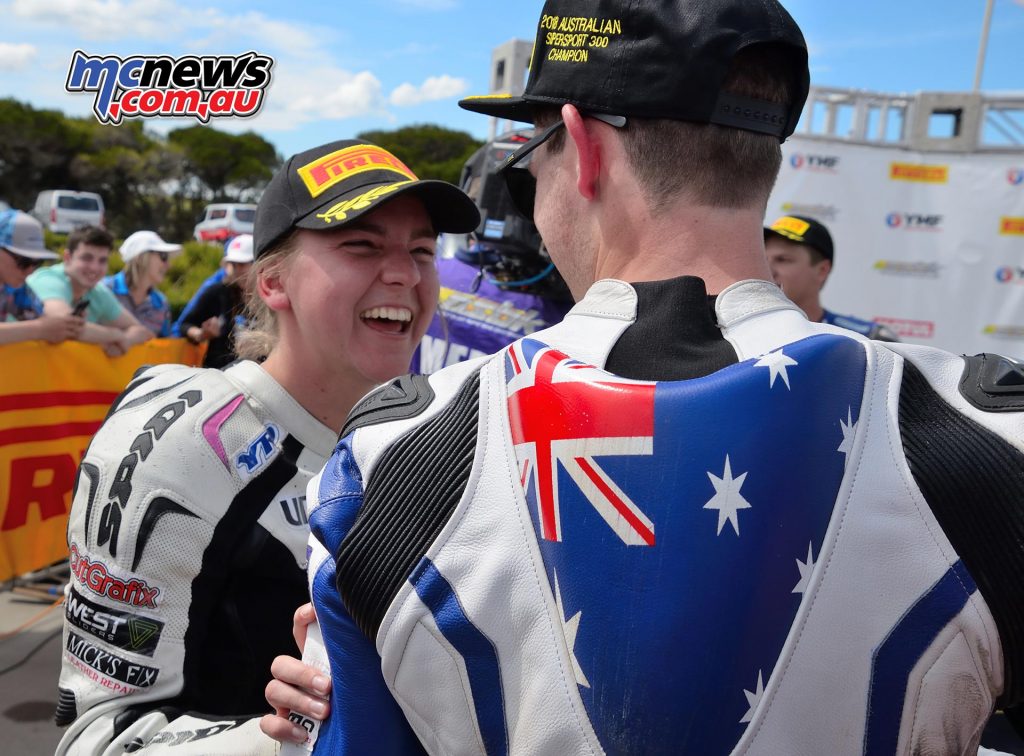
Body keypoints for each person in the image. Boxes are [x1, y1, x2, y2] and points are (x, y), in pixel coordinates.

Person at [266, 1, 1023, 754]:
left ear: (584, 149)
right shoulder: (992, 440)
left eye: (535, 155)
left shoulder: (390, 454)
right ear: (765, 159)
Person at [53, 138, 479, 755]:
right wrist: (277, 738)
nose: (405, 274)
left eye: (422, 250)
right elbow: (94, 740)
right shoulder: (183, 441)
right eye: (362, 245)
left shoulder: (429, 433)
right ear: (272, 282)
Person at [764, 214, 899, 341]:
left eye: (782, 260)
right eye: (763, 259)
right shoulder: (744, 338)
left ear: (822, 270)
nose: (767, 271)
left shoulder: (868, 340)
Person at [27, 225, 152, 356]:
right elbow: (66, 325)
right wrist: (115, 335)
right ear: (67, 258)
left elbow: (142, 331)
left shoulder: (97, 291)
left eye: (102, 261)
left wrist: (125, 341)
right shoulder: (47, 279)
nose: (94, 267)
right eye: (87, 258)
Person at [0, 209, 83, 344]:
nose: (30, 270)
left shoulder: (17, 288)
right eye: (24, 261)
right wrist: (39, 329)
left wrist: (68, 324)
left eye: (37, 262)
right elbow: (42, 326)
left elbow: (46, 321)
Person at [179, 233, 253, 368]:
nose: (237, 270)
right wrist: (201, 334)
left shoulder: (271, 298)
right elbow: (185, 325)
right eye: (233, 264)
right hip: (219, 375)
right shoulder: (216, 292)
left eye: (242, 264)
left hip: (259, 376)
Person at [104, 230, 182, 337]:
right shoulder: (104, 290)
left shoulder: (161, 303)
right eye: (163, 257)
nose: (168, 265)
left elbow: (165, 344)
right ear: (141, 257)